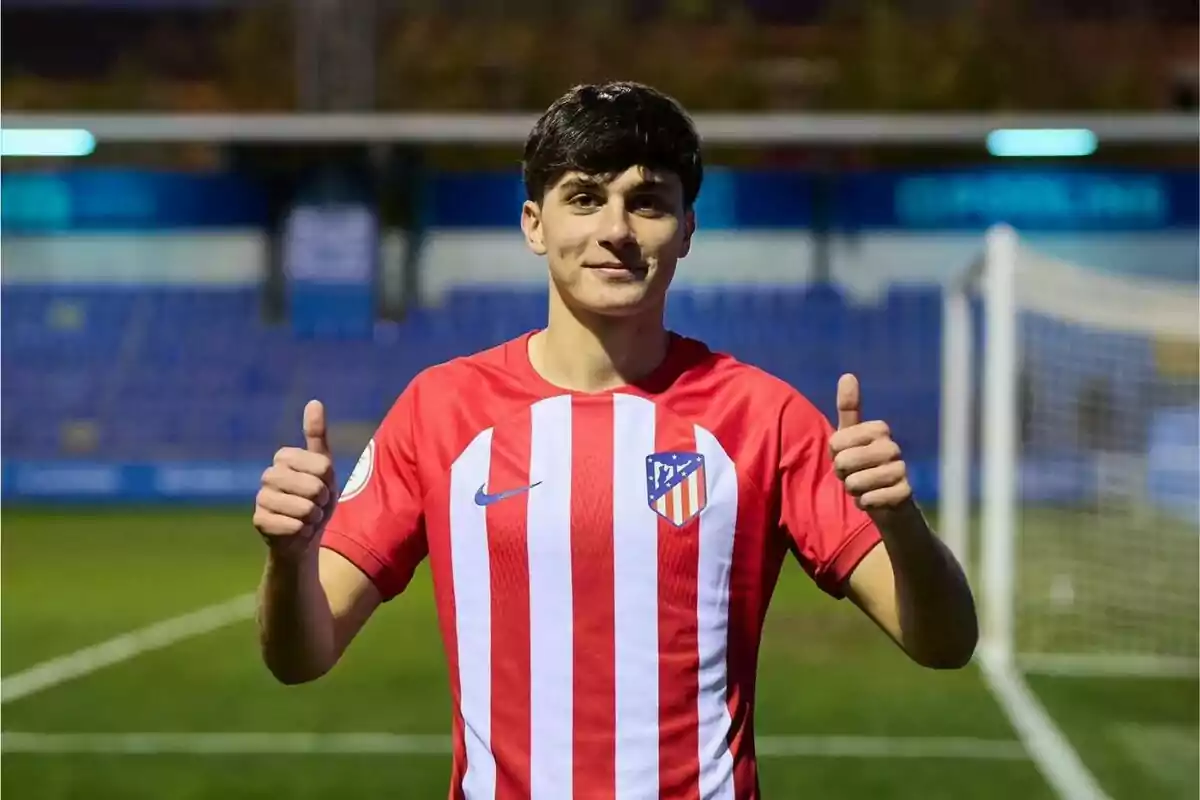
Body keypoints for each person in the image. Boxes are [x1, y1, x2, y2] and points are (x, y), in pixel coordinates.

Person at [253, 81, 978, 800]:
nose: (617, 229)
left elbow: (943, 645)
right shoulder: (441, 411)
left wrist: (901, 523)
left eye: (648, 201)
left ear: (687, 228)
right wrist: (289, 560)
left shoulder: (765, 418)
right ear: (534, 224)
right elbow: (301, 656)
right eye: (585, 197)